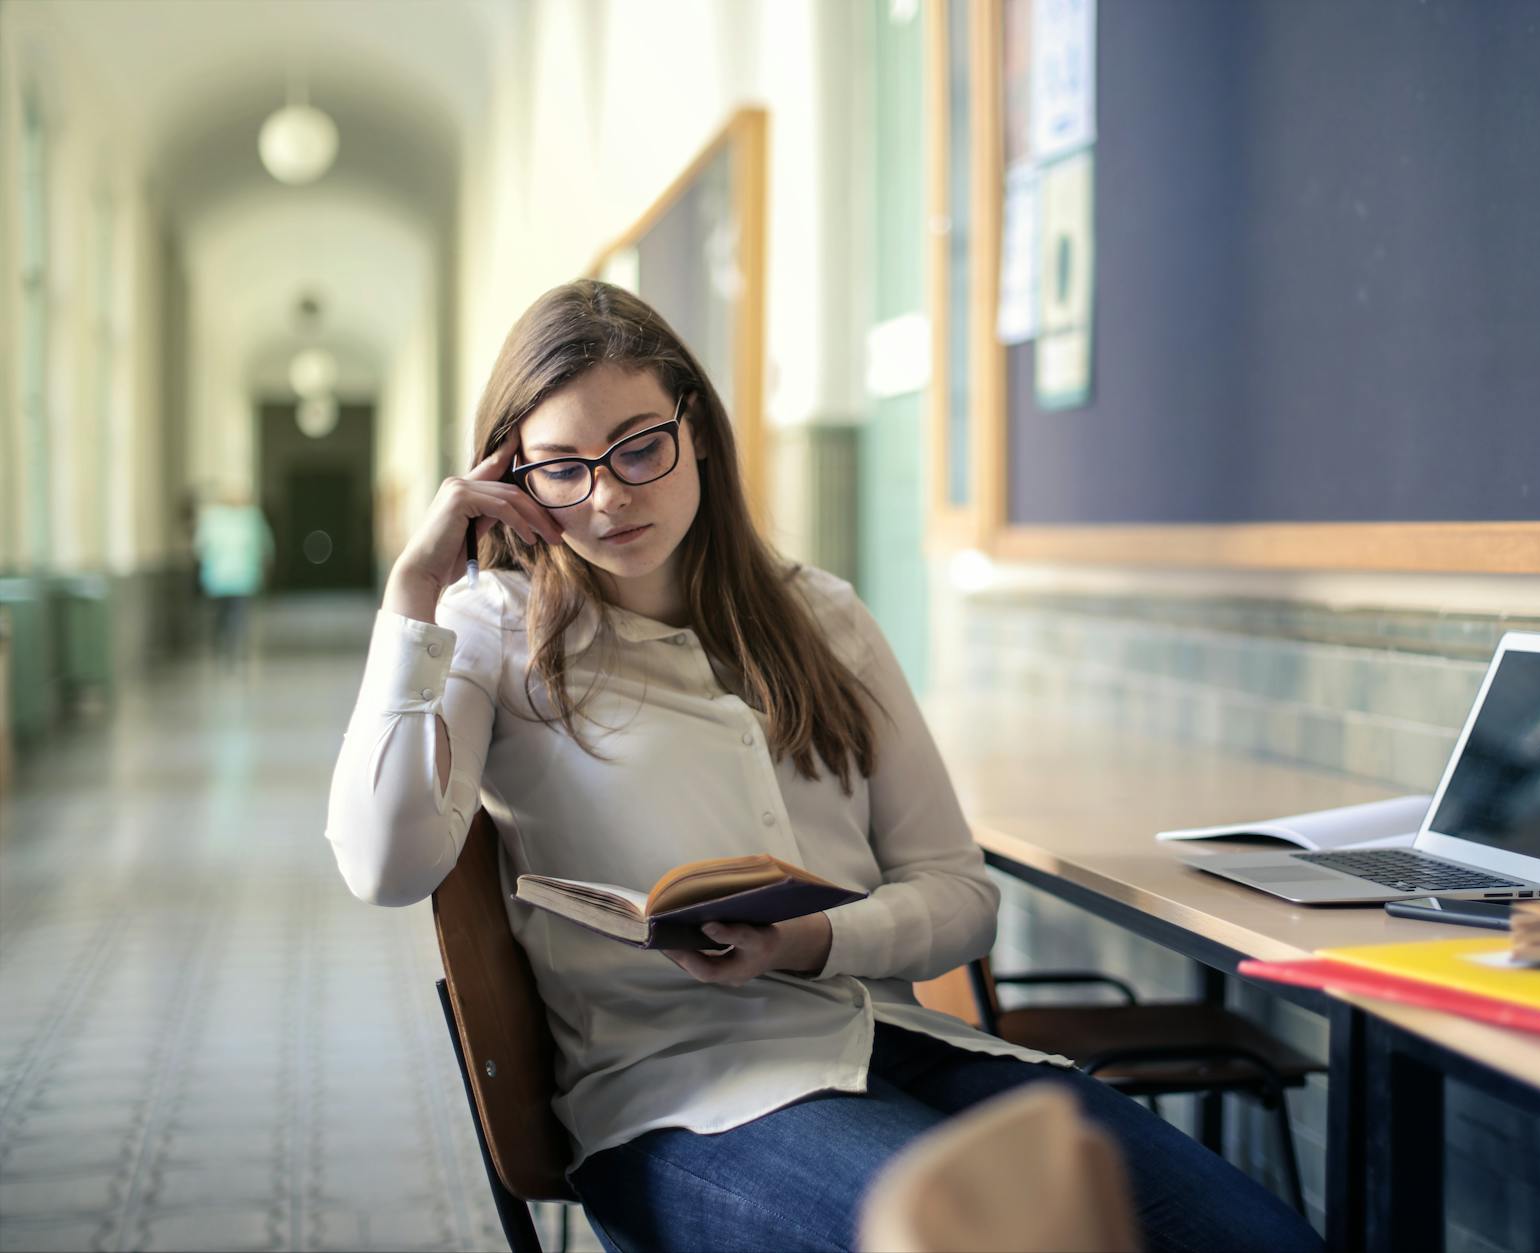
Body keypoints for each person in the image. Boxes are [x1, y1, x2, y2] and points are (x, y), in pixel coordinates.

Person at [324, 279, 1320, 1253]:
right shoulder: (491, 628)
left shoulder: (822, 617)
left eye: (639, 447)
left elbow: (959, 899)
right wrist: (414, 593)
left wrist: (809, 940)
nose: (609, 495)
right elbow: (387, 866)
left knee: (1258, 1237)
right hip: (681, 1099)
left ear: (698, 428)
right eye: (561, 468)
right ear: (512, 481)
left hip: (895, 1046)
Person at [192, 487, 274, 664]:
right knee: (238, 614)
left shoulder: (212, 518)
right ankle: (235, 646)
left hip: (217, 578)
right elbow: (266, 545)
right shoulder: (251, 517)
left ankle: (223, 644)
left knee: (221, 614)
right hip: (243, 577)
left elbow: (199, 546)